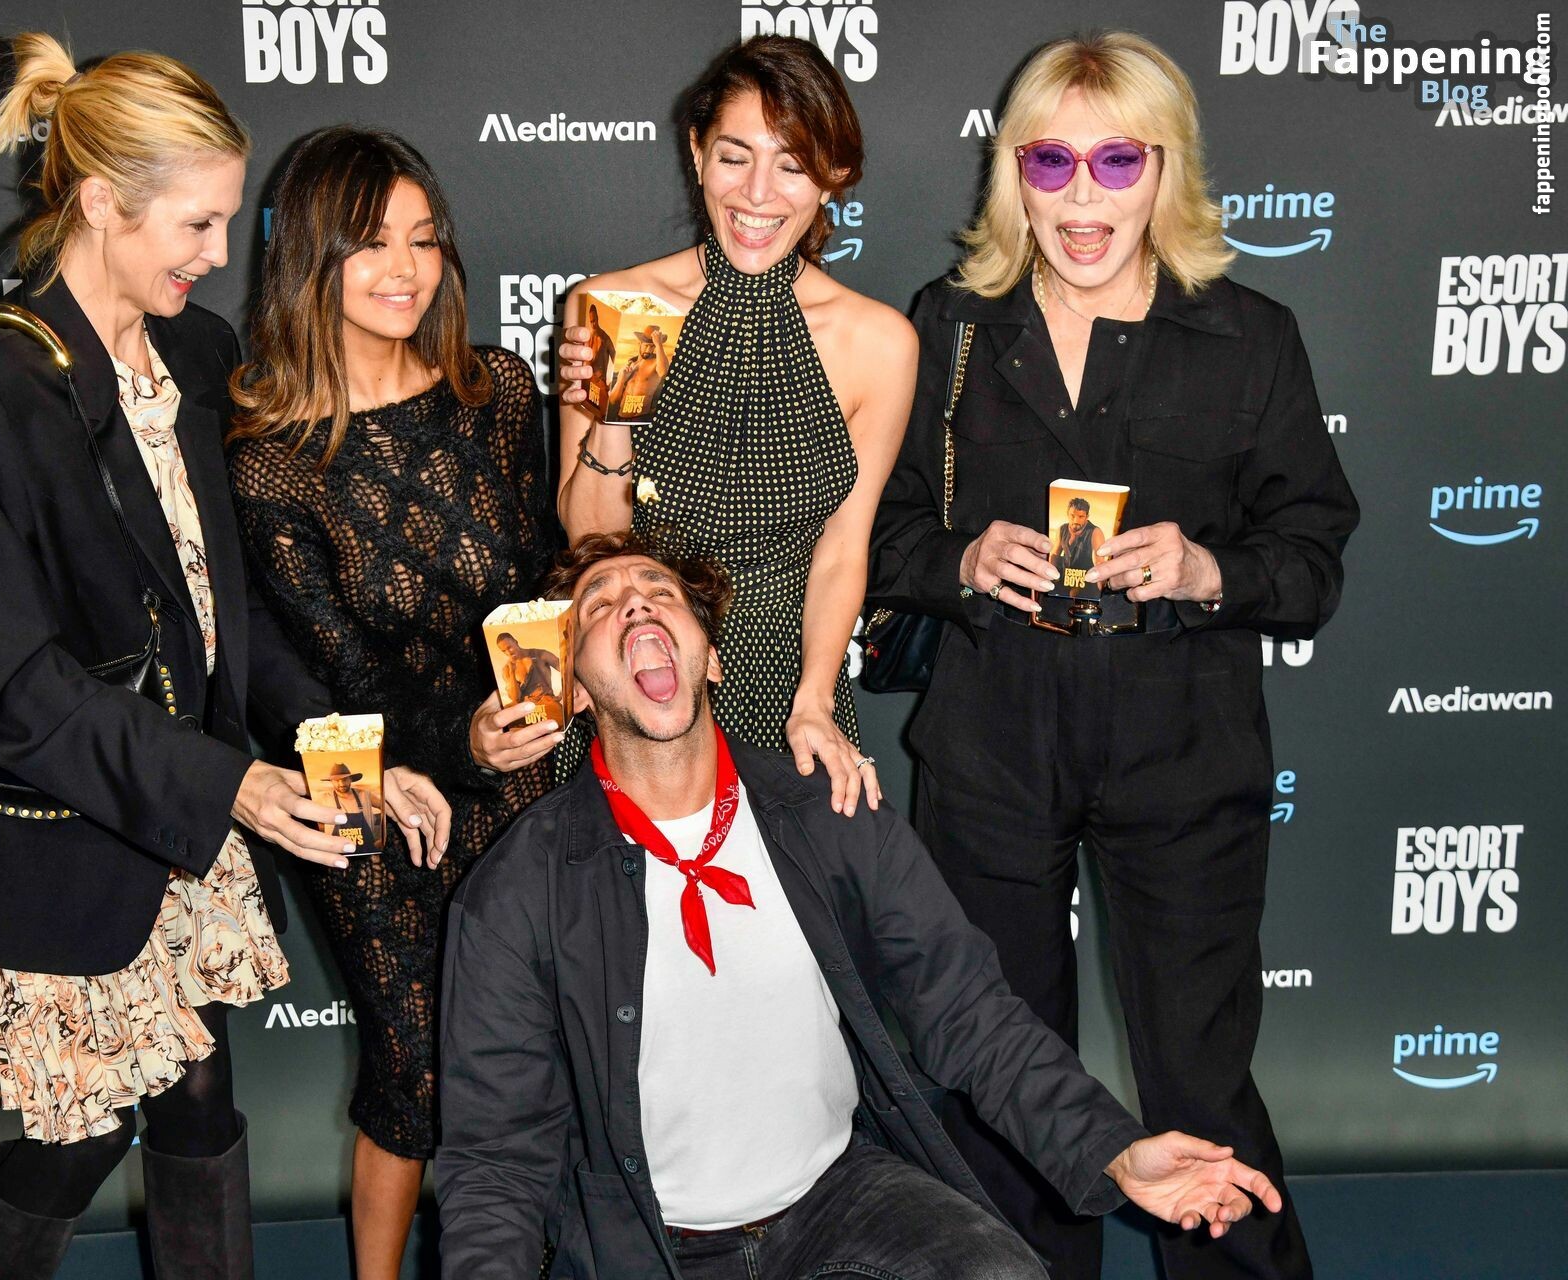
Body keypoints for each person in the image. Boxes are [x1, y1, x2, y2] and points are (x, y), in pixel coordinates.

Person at [0, 35, 453, 1280]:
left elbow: (226, 617)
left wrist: (346, 751)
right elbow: (15, 689)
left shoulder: (193, 355)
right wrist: (232, 784)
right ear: (100, 202)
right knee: (78, 1139)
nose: (217, 251)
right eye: (197, 223)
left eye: (225, 220)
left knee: (199, 1094)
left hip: (181, 811)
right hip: (57, 826)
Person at [436, 532, 1285, 1280]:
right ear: (576, 689)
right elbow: (496, 1160)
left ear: (712, 658)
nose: (636, 605)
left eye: (660, 592)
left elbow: (969, 1011)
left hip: (834, 1201)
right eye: (600, 606)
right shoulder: (518, 890)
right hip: (645, 1243)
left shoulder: (828, 812)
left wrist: (1115, 1149)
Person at [868, 31, 1357, 1280]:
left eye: (1116, 161)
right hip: (993, 743)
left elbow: (1311, 560)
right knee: (1001, 1077)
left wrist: (1208, 572)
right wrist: (964, 558)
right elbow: (882, 534)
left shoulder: (1250, 335)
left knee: (1201, 1076)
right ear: (1014, 176)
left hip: (1184, 746)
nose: (1082, 197)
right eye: (1052, 162)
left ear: (1165, 169)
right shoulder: (953, 325)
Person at [227, 126, 562, 1280]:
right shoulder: (274, 455)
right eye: (373, 243)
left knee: (549, 1049)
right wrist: (456, 742)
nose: (407, 269)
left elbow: (543, 571)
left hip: (528, 767)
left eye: (425, 239)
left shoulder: (496, 390)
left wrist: (545, 695)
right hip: (373, 793)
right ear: (312, 257)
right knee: (413, 1070)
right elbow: (340, 677)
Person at [554, 35, 916, 817]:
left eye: (792, 166)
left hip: (792, 685)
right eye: (734, 156)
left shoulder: (880, 343)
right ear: (696, 152)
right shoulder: (610, 306)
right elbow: (593, 545)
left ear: (833, 176)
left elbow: (842, 550)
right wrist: (614, 414)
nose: (758, 193)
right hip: (641, 680)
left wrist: (814, 699)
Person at [494, 632, 563, 725]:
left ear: (516, 642)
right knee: (500, 718)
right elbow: (515, 698)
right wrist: (512, 672)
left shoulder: (540, 654)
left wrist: (563, 693)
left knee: (557, 719)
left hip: (545, 702)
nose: (508, 652)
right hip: (524, 706)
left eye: (509, 647)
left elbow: (566, 669)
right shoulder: (507, 669)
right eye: (504, 651)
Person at [1052, 496, 1104, 576]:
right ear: (1067, 514)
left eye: (1081, 517)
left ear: (1087, 517)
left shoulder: (1095, 532)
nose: (1076, 520)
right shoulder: (1062, 529)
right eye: (1072, 515)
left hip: (1086, 578)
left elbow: (1099, 564)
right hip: (1064, 575)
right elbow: (1055, 555)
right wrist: (1050, 576)